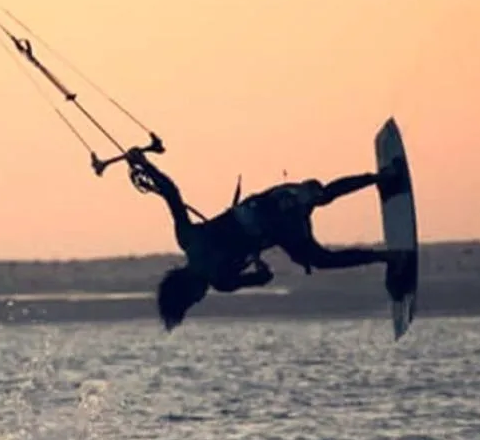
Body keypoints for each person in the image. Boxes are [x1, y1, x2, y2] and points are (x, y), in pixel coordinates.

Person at [93, 135, 409, 331]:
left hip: (277, 226)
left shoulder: (223, 281)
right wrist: (144, 165)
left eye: (193, 301)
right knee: (320, 195)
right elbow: (171, 192)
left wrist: (258, 265)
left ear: (189, 291)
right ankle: (385, 176)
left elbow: (265, 277)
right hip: (267, 204)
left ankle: (390, 257)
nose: (199, 300)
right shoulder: (188, 239)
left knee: (320, 257)